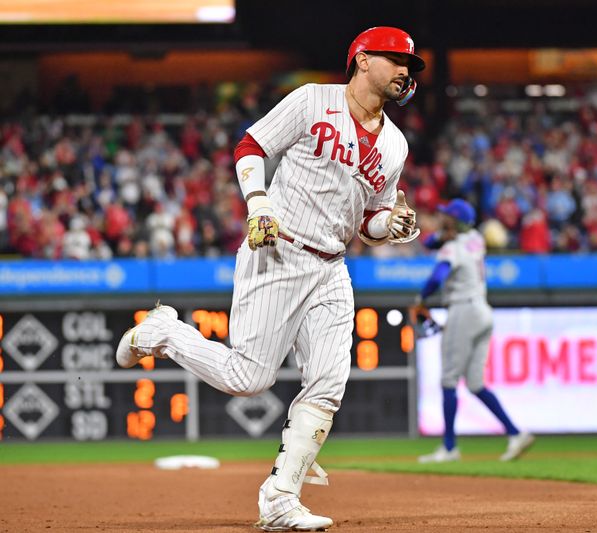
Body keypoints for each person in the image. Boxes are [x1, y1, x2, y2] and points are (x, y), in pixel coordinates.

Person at [115, 26, 425, 531]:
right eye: (396, 60)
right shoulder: (313, 101)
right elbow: (250, 146)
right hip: (278, 248)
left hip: (331, 266)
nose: (406, 71)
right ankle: (164, 332)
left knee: (328, 382)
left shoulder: (394, 144)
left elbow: (369, 219)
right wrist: (258, 202)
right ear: (363, 60)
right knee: (249, 378)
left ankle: (281, 497)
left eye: (410, 66)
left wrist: (390, 225)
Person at [413, 199, 534, 463]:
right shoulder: (475, 238)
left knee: (448, 380)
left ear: (455, 222)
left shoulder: (453, 248)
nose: (441, 217)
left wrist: (420, 299)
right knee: (476, 383)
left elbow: (437, 277)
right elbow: (431, 242)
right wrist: (444, 234)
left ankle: (449, 447)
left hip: (463, 310)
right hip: (483, 311)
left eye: (446, 216)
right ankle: (515, 433)